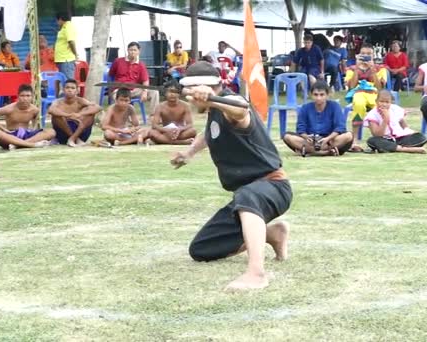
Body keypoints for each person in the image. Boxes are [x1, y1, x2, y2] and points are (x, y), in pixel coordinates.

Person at [171, 61, 292, 291]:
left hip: (272, 186)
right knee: (202, 249)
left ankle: (256, 273)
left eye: (191, 92)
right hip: (246, 197)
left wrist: (213, 97)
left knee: (248, 195)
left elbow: (241, 109)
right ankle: (272, 234)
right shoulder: (215, 113)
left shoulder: (229, 105)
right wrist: (188, 154)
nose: (188, 98)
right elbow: (208, 134)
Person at [282, 81, 353, 156]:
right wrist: (306, 137)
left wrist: (327, 139)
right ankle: (326, 152)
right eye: (315, 95)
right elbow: (300, 128)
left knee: (348, 136)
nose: (318, 98)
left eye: (322, 95)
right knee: (287, 136)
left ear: (327, 95)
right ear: (311, 95)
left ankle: (312, 151)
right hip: (311, 141)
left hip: (330, 140)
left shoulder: (335, 106)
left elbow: (340, 127)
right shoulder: (305, 108)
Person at [0, 84, 56, 150]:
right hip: (12, 135)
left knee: (51, 132)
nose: (25, 98)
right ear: (18, 96)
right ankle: (32, 145)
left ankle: (18, 145)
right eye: (22, 96)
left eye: (28, 96)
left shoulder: (35, 110)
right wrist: (3, 129)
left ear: (32, 97)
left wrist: (33, 130)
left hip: (27, 134)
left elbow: (35, 123)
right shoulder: (9, 108)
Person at [345, 42, 388, 150]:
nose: (366, 56)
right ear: (359, 55)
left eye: (369, 54)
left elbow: (379, 88)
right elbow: (351, 86)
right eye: (363, 54)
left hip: (374, 94)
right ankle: (354, 139)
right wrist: (357, 68)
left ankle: (379, 137)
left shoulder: (381, 69)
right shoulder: (351, 69)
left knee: (380, 109)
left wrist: (373, 70)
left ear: (373, 56)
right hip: (358, 92)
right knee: (358, 104)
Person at [109, 41, 159, 115]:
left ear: (139, 52)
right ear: (127, 50)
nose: (132, 52)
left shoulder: (141, 65)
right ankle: (123, 118)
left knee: (154, 92)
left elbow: (145, 80)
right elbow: (111, 74)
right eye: (131, 50)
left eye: (135, 50)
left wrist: (145, 91)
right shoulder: (118, 61)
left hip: (134, 90)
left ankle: (154, 116)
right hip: (120, 89)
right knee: (117, 96)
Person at [48, 79, 102, 147]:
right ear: (63, 90)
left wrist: (80, 114)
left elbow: (98, 107)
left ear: (77, 90)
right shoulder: (58, 101)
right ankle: (75, 139)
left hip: (80, 132)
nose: (69, 90)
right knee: (56, 116)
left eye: (72, 88)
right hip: (63, 134)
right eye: (67, 87)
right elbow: (51, 110)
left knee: (90, 114)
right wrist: (68, 115)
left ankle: (73, 138)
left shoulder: (81, 101)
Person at [147, 80, 196, 145]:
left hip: (180, 132)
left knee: (193, 131)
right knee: (151, 133)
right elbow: (154, 125)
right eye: (170, 91)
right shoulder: (160, 106)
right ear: (165, 93)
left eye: (175, 92)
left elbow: (190, 124)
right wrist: (166, 130)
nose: (172, 94)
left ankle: (163, 140)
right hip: (165, 132)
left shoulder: (185, 106)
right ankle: (181, 142)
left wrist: (180, 129)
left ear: (179, 93)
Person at [55, 12, 77, 79]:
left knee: (68, 81)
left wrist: (75, 53)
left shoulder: (68, 26)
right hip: (61, 59)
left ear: (60, 19)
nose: (56, 22)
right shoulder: (63, 28)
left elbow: (71, 42)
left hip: (66, 59)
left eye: (57, 20)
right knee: (63, 81)